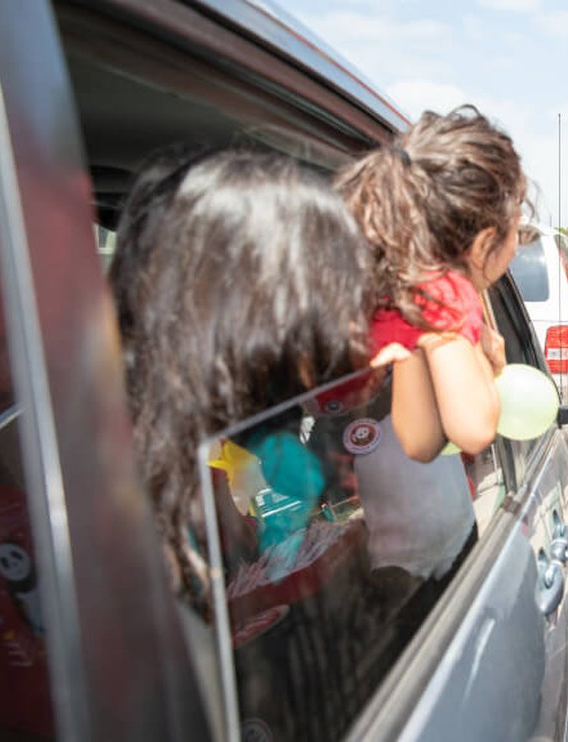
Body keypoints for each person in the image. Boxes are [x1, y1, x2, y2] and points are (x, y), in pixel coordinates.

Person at [108, 146, 373, 613]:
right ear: (253, 309)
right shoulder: (120, 493)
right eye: (328, 294)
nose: (353, 330)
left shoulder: (222, 444)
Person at [335, 107, 527, 462]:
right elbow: (474, 429)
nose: (518, 243)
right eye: (518, 223)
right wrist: (489, 364)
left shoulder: (404, 288)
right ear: (485, 243)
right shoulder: (448, 293)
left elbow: (419, 443)